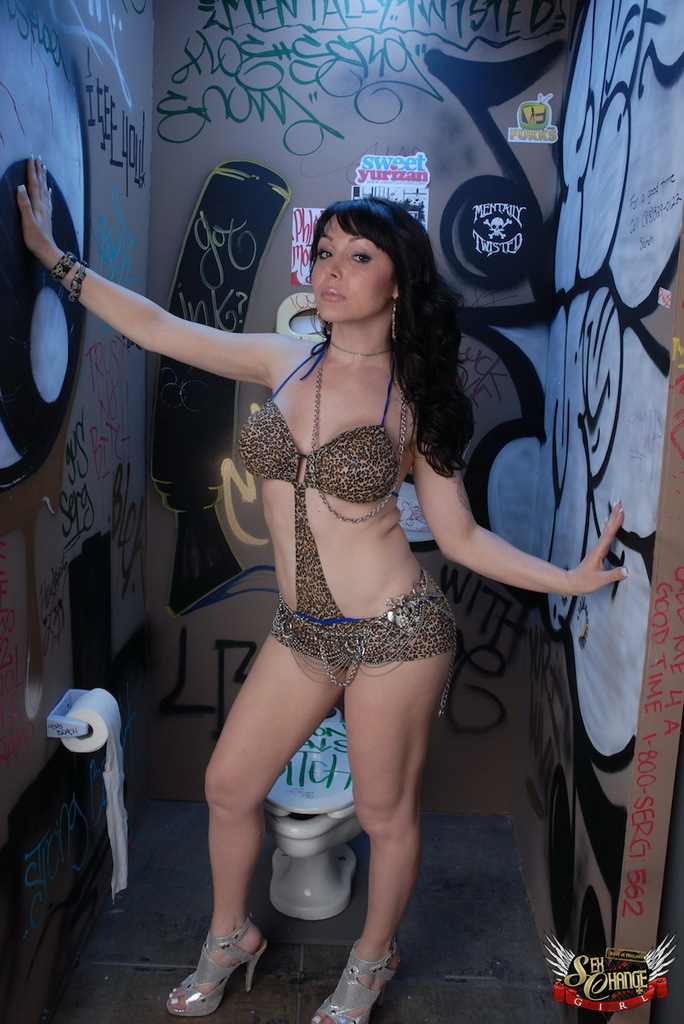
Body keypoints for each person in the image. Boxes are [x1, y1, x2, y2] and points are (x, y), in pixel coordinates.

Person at [17, 157, 627, 1023]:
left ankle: (371, 962)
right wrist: (54, 260)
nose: (331, 270)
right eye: (325, 252)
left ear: (398, 281)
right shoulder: (282, 360)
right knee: (230, 787)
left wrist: (567, 579)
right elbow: (156, 327)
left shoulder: (417, 400)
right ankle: (230, 935)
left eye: (358, 257)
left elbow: (460, 537)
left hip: (396, 634)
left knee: (384, 814)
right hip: (302, 629)